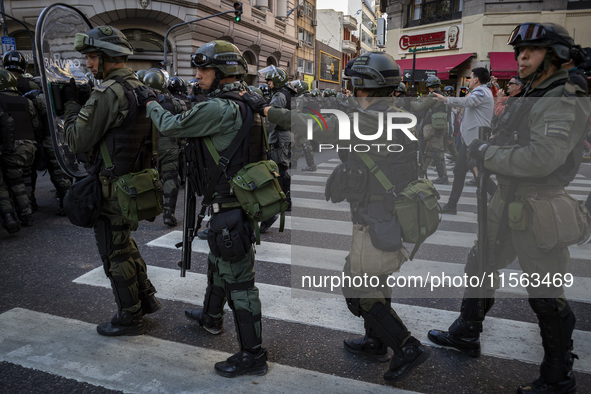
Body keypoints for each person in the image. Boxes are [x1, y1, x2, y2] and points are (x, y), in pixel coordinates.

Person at [242, 51, 430, 384]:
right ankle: (376, 342)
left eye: (353, 85)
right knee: (376, 279)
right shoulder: (396, 114)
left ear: (367, 87)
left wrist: (268, 109)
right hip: (389, 212)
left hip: (376, 216)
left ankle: (406, 347)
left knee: (357, 287)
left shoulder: (368, 121)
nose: (348, 90)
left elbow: (310, 126)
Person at [428, 22, 591, 393]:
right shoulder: (537, 89)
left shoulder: (564, 95)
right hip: (508, 197)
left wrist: (488, 154)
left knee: (546, 295)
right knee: (480, 263)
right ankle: (467, 332)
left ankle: (558, 376)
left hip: (538, 204)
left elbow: (542, 158)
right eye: (518, 52)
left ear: (555, 55)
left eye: (530, 52)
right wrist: (484, 152)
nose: (521, 58)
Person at [134, 40, 269, 378]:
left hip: (231, 205)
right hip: (239, 199)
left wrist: (152, 103)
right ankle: (211, 318)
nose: (197, 74)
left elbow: (170, 126)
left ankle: (253, 354)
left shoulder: (219, 108)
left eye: (204, 69)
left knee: (239, 282)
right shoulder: (246, 103)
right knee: (219, 265)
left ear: (222, 72)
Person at [63, 25, 162, 336]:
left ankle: (129, 315)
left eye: (93, 57)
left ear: (108, 57)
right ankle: (144, 297)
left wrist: (69, 110)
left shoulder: (107, 93)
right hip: (135, 184)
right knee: (125, 245)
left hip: (112, 188)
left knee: (114, 252)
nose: (89, 64)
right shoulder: (141, 89)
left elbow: (77, 141)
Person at [433, 67, 495, 214]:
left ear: (476, 79)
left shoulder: (480, 91)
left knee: (478, 173)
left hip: (474, 141)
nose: (469, 80)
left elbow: (469, 102)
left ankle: (497, 196)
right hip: (470, 140)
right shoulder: (480, 91)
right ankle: (452, 205)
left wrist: (446, 99)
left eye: (470, 77)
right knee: (460, 171)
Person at [142, 69, 186, 227]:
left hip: (148, 145)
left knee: (150, 177)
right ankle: (168, 213)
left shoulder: (142, 101)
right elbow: (184, 124)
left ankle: (151, 208)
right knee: (170, 178)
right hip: (169, 144)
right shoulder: (175, 102)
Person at [0, 69, 40, 231]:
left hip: (13, 148)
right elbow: (36, 124)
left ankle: (25, 214)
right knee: (27, 178)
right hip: (30, 146)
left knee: (16, 183)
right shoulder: (26, 101)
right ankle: (29, 207)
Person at [411, 76, 450, 184]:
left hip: (431, 127)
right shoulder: (443, 95)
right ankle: (422, 170)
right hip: (439, 127)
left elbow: (420, 107)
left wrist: (410, 102)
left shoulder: (433, 96)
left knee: (437, 152)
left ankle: (443, 176)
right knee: (431, 152)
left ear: (429, 86)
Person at [290, 79, 317, 171]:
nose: (295, 90)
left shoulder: (301, 98)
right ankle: (293, 163)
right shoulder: (310, 96)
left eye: (296, 88)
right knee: (299, 143)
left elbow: (297, 111)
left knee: (305, 143)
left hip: (302, 122)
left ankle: (311, 165)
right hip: (309, 121)